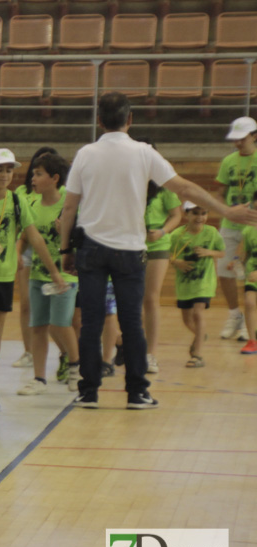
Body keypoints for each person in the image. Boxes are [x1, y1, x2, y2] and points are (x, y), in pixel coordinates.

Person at [60, 92, 257, 409]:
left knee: (91, 322)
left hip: (92, 249)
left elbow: (69, 208)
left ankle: (88, 391)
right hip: (129, 251)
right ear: (130, 119)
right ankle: (137, 392)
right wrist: (226, 210)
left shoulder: (85, 153)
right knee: (132, 323)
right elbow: (186, 189)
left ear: (99, 121)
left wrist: (65, 249)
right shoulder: (143, 152)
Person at [0, 149, 64, 412]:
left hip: (4, 276)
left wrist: (54, 270)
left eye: (9, 170)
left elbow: (35, 237)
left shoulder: (17, 201)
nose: (4, 174)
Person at [17, 154, 80, 395]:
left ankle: (75, 367)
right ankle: (39, 378)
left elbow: (84, 232)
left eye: (39, 174)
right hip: (39, 276)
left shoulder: (69, 202)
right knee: (39, 326)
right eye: (33, 173)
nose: (33, 178)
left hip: (67, 275)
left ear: (55, 178)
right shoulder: (31, 205)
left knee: (61, 323)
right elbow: (25, 237)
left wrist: (68, 230)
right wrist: (16, 253)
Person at [11, 146, 60, 369]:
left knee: (54, 310)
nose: (36, 176)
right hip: (28, 250)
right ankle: (28, 351)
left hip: (52, 251)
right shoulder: (22, 192)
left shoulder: (61, 193)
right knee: (26, 305)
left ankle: (65, 354)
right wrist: (17, 250)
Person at [140, 139, 184, 374]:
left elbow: (176, 215)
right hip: (132, 244)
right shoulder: (130, 182)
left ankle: (151, 354)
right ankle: (129, 348)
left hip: (157, 245)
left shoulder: (164, 186)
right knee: (130, 300)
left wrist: (162, 231)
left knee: (150, 298)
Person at [214, 116, 257, 343]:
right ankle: (234, 315)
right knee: (224, 270)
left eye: (242, 138)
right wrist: (224, 211)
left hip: (254, 226)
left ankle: (252, 321)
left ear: (254, 136)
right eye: (235, 139)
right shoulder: (228, 161)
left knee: (252, 273)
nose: (238, 143)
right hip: (230, 225)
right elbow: (220, 193)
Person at [169, 202, 225, 368]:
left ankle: (198, 355)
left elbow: (221, 252)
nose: (200, 217)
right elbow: (168, 256)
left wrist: (209, 252)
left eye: (203, 213)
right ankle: (200, 335)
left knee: (198, 313)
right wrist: (177, 262)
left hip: (204, 282)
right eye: (195, 213)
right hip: (185, 284)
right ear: (187, 214)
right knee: (187, 319)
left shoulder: (212, 232)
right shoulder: (177, 235)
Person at [241, 216, 257, 354]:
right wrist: (237, 263)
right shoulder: (248, 230)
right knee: (249, 302)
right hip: (252, 275)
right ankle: (252, 341)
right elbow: (245, 253)